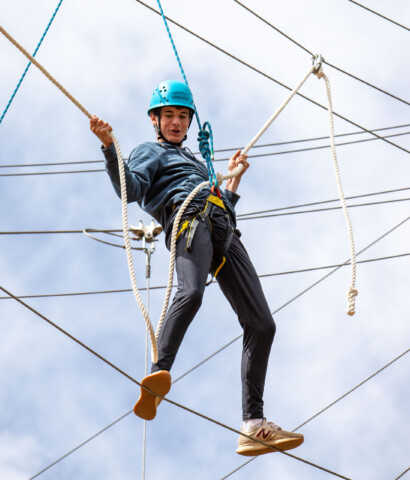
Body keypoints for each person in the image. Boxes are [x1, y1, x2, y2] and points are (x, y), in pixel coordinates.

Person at [90, 79, 303, 456]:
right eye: (169, 115)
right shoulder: (149, 154)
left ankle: (253, 425)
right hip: (190, 220)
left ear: (190, 121)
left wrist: (232, 179)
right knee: (191, 293)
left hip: (223, 228)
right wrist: (110, 147)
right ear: (155, 120)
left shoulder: (195, 160)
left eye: (183, 116)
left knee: (262, 324)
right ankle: (158, 374)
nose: (176, 122)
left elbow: (224, 204)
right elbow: (131, 190)